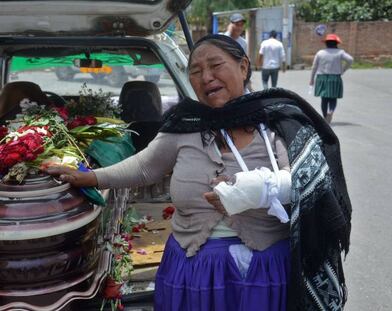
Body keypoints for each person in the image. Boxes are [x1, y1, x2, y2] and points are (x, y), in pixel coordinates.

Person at [46, 34, 352, 311]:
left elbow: (305, 182)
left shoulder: (277, 124)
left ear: (243, 66)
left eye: (216, 65)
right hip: (193, 269)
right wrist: (89, 177)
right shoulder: (185, 125)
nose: (206, 77)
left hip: (265, 269)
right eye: (195, 71)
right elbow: (143, 167)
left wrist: (250, 189)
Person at [310, 33, 353, 124]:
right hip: (335, 78)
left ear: (326, 43)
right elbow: (350, 60)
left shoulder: (320, 53)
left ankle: (325, 116)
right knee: (333, 98)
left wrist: (311, 79)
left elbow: (314, 66)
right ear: (336, 43)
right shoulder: (340, 53)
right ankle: (331, 112)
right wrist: (343, 70)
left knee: (324, 99)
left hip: (322, 78)